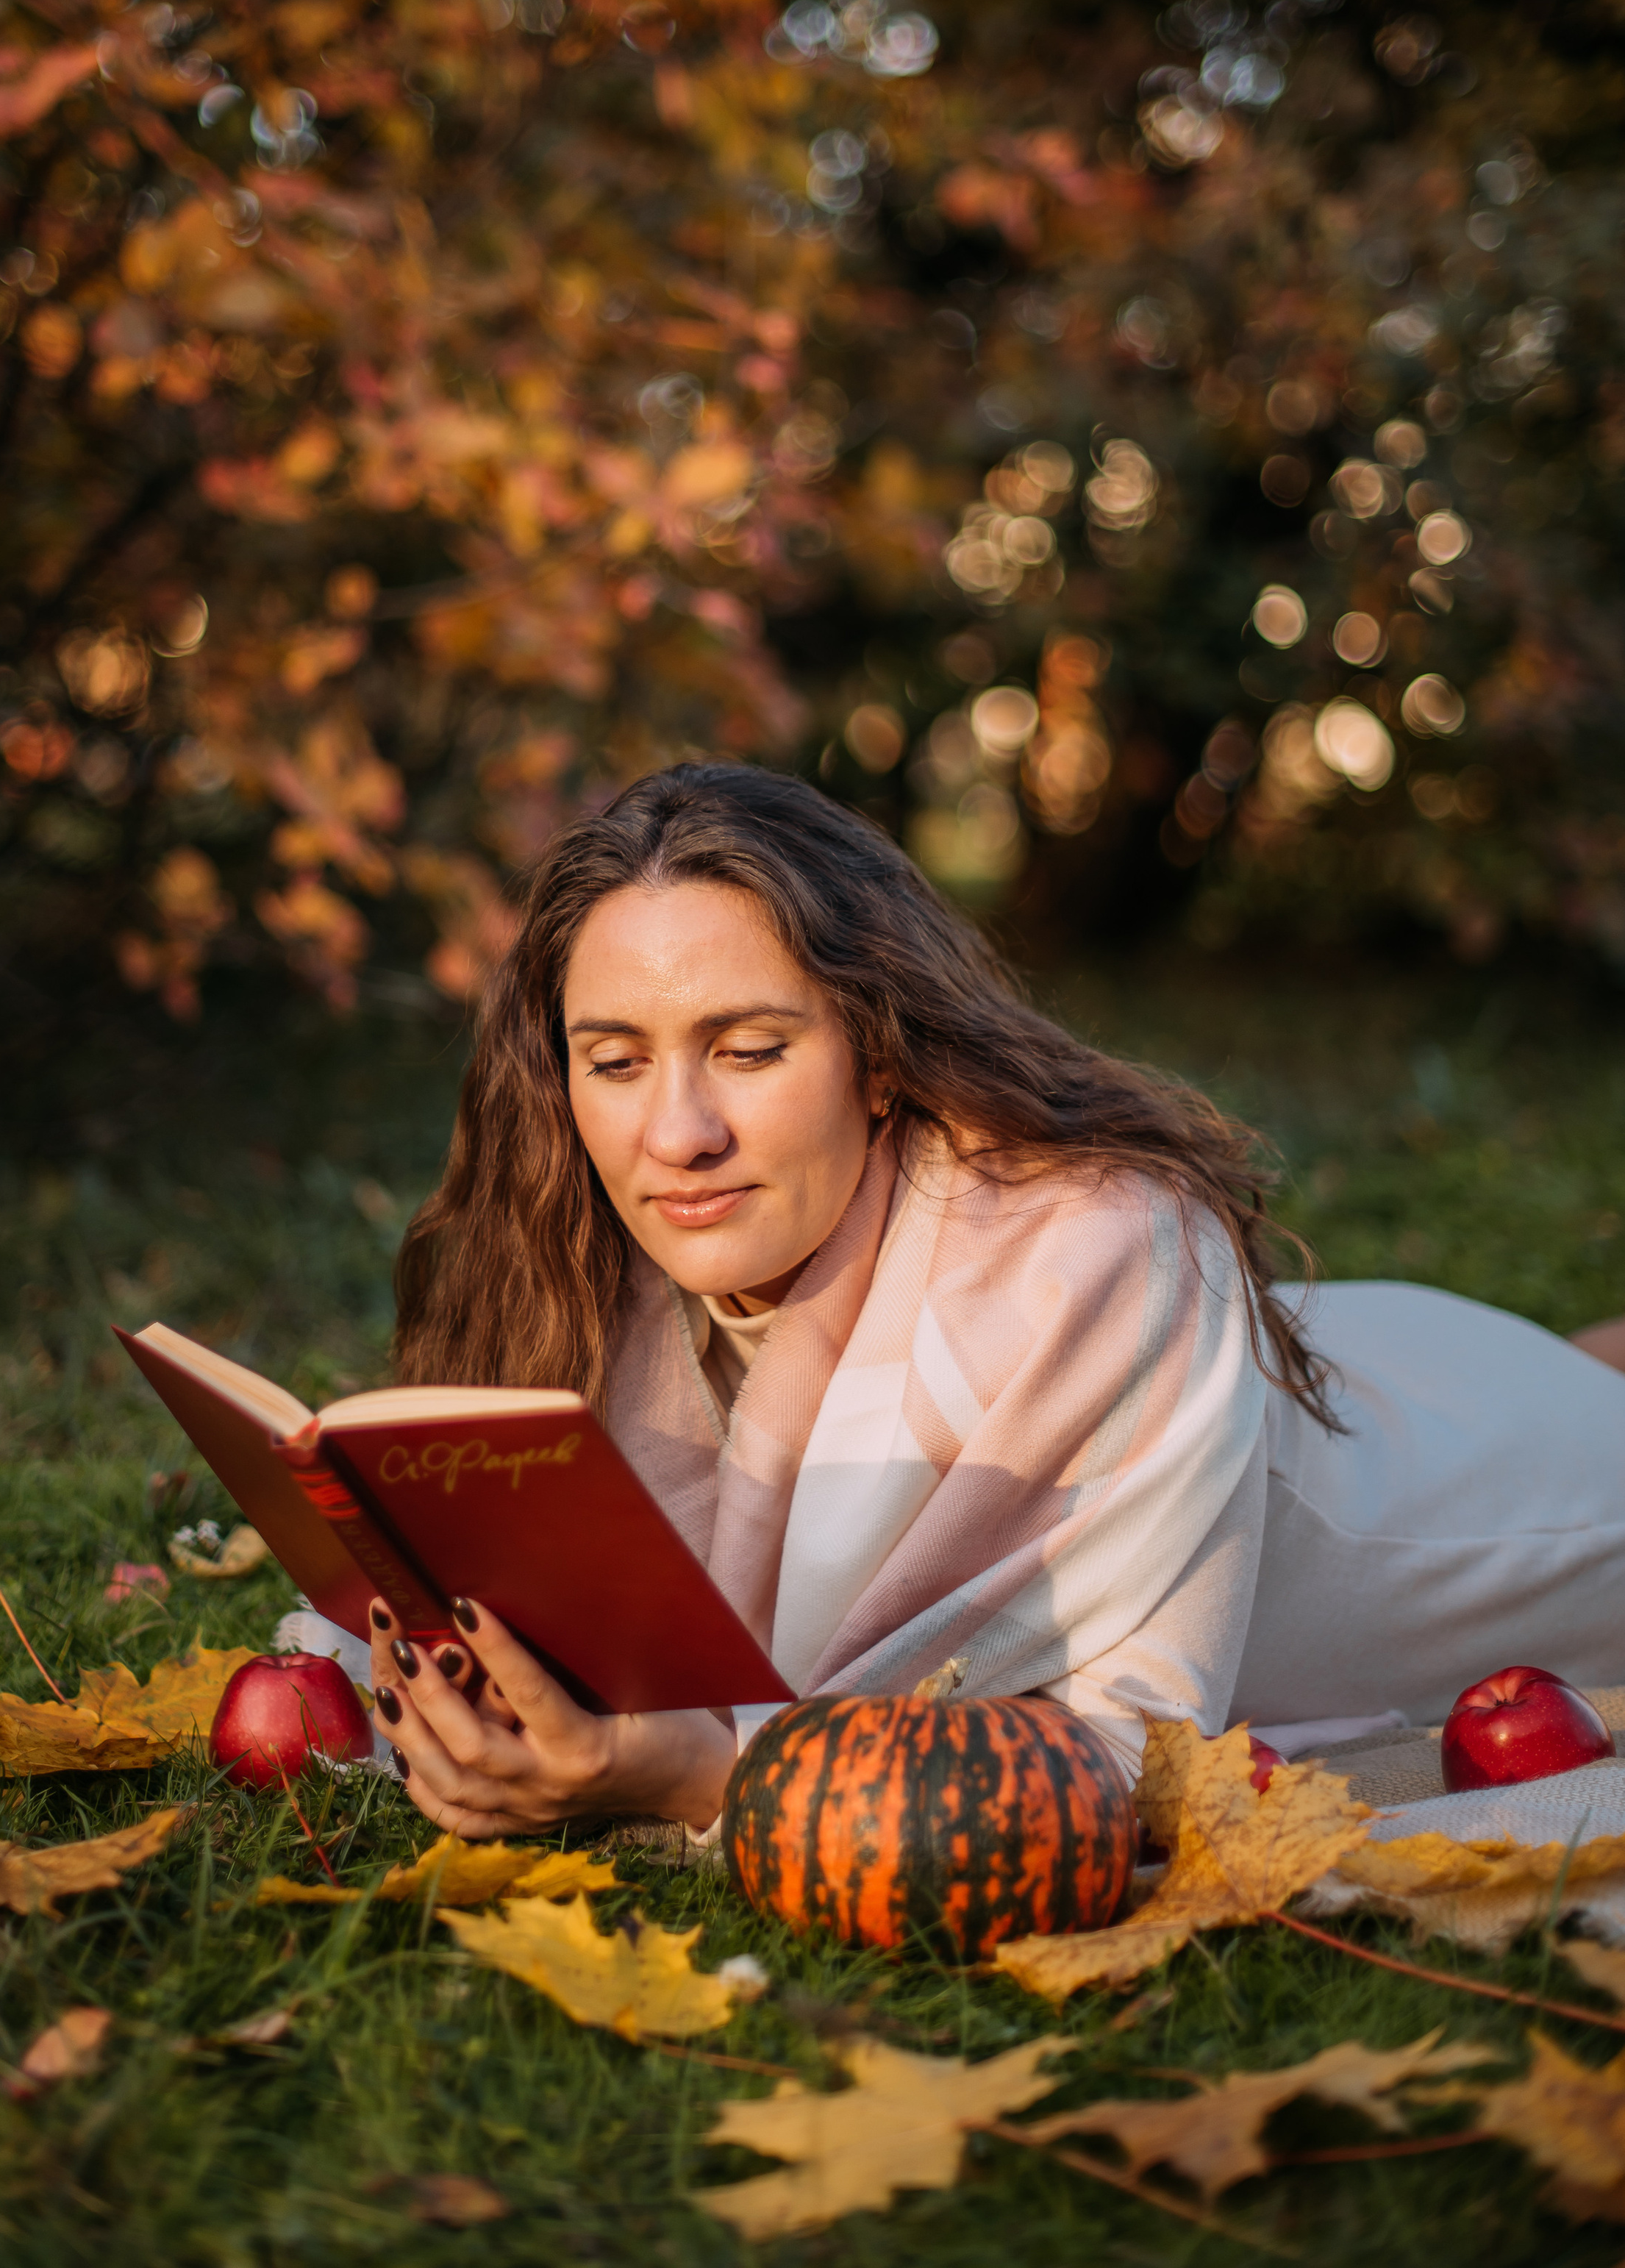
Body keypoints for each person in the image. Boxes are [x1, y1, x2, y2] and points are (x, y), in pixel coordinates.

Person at [317, 763, 1625, 1837]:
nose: (679, 1132)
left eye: (751, 1049)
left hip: (1488, 1486)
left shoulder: (1101, 1255)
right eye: (614, 1060)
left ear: (880, 1058)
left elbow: (1109, 1765)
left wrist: (691, 1781)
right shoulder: (593, 1283)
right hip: (1332, 1366)